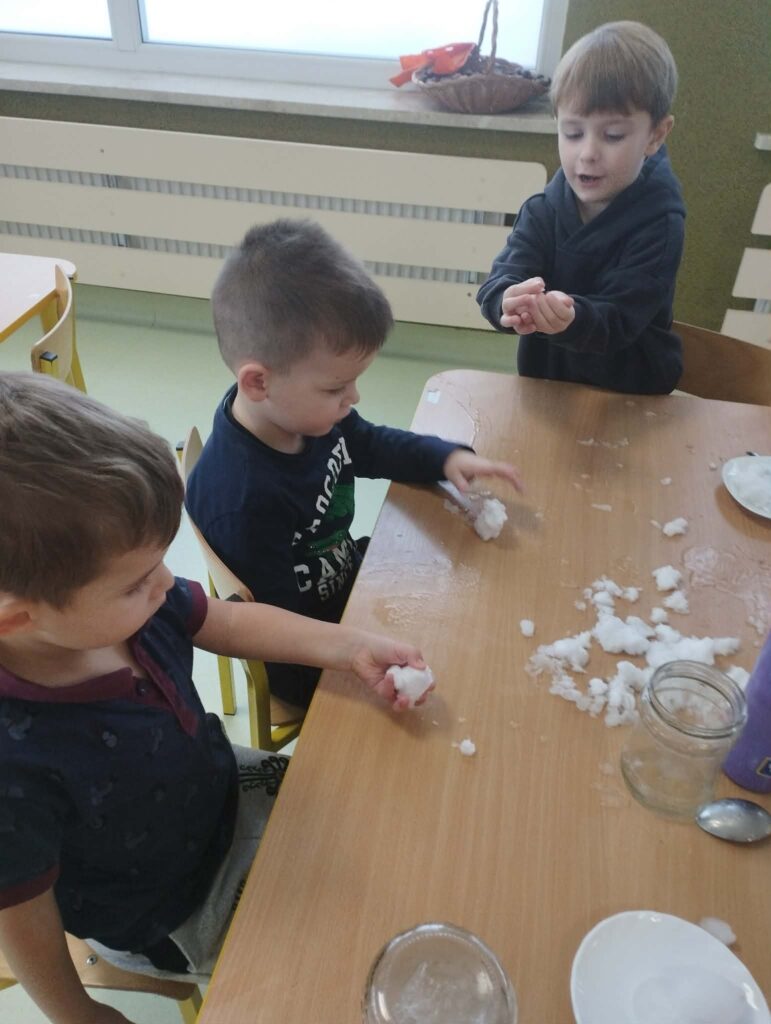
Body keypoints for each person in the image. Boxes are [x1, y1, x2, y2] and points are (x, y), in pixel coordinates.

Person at [0, 373, 430, 1024]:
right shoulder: (13, 766)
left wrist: (346, 646)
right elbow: (22, 913)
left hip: (224, 788)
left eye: (161, 561)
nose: (165, 584)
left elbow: (223, 619)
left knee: (406, 833)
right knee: (342, 978)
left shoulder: (129, 603)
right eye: (136, 582)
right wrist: (73, 1010)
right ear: (17, 618)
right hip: (172, 907)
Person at [186, 219, 523, 709]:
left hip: (347, 586)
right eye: (336, 387)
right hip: (312, 657)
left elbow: (369, 444)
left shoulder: (304, 414)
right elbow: (283, 641)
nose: (353, 398)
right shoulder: (243, 500)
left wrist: (444, 457)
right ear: (258, 382)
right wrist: (360, 654)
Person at [477, 21, 686, 395]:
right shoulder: (543, 210)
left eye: (613, 136)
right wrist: (506, 300)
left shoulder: (661, 223)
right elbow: (502, 276)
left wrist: (571, 319)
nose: (588, 153)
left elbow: (620, 319)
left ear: (655, 135)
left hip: (632, 389)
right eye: (573, 133)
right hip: (550, 382)